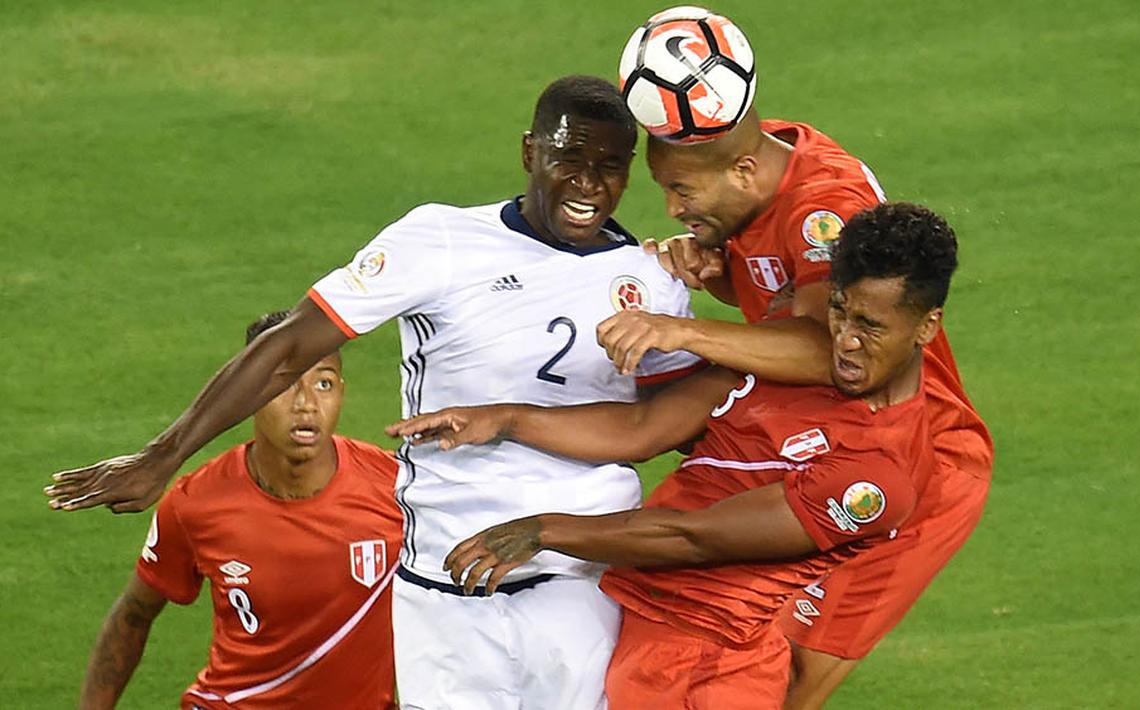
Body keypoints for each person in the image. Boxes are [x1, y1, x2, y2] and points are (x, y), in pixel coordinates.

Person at [48, 76, 703, 710]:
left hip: (579, 586)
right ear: (530, 151)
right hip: (447, 597)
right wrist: (164, 455)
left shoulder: (651, 279)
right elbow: (287, 349)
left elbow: (677, 428)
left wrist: (718, 279)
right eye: (569, 158)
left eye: (610, 167)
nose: (589, 183)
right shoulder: (442, 241)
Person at [390, 202, 956, 709]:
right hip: (645, 641)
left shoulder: (878, 476)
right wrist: (506, 420)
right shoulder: (785, 368)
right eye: (839, 311)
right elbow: (643, 428)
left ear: (927, 327)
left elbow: (696, 536)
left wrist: (546, 530)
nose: (845, 340)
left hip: (707, 672)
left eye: (871, 326)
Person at [595, 105, 994, 705]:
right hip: (818, 443)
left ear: (742, 169)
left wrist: (682, 331)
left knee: (790, 675)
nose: (672, 208)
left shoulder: (821, 209)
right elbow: (784, 294)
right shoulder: (761, 164)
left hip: (913, 461)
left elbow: (823, 350)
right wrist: (720, 272)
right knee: (735, 642)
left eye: (681, 190)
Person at [78, 311, 402, 709]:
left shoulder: (397, 488)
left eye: (323, 383)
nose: (306, 404)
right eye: (285, 384)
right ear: (247, 394)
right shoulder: (197, 503)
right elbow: (134, 615)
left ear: (341, 392)